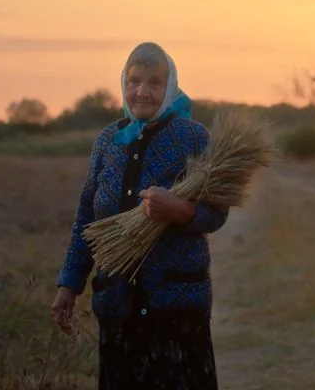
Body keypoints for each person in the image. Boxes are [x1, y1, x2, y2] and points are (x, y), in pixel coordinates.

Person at [51, 41, 229, 389]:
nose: (142, 92)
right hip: (118, 307)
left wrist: (178, 210)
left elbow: (216, 213)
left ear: (170, 87)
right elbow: (87, 219)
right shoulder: (108, 141)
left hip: (176, 308)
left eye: (154, 82)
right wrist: (69, 283)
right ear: (123, 83)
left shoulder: (193, 138)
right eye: (134, 81)